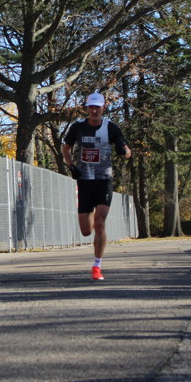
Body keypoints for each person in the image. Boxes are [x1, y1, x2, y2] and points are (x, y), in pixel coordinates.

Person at [62, 92, 132, 281]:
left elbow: (127, 150)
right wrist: (71, 166)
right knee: (86, 231)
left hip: (103, 180)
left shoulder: (111, 127)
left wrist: (123, 150)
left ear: (103, 108)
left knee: (100, 222)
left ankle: (97, 266)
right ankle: (92, 222)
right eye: (91, 107)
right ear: (87, 108)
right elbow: (65, 148)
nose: (94, 111)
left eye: (97, 107)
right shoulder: (78, 127)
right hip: (84, 180)